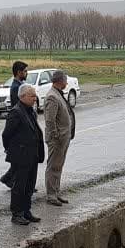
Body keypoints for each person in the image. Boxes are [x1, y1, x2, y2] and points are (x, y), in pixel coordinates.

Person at [1, 84, 44, 225]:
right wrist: (12, 150)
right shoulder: (16, 112)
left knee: (30, 186)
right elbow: (6, 134)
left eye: (35, 95)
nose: (35, 98)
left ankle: (26, 211)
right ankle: (17, 214)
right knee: (19, 187)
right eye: (32, 96)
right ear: (23, 96)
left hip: (32, 155)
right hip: (21, 156)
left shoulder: (30, 110)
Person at [42, 71, 75, 205]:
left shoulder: (58, 94)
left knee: (58, 166)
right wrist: (56, 136)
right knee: (53, 166)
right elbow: (50, 121)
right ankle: (51, 195)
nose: (67, 83)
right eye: (65, 80)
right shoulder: (52, 97)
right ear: (59, 81)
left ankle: (56, 192)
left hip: (63, 137)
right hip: (57, 139)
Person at [0, 60, 29, 188]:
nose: (27, 73)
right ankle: (10, 180)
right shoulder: (16, 87)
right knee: (19, 160)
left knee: (19, 161)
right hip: (18, 123)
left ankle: (12, 180)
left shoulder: (20, 84)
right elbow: (19, 105)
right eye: (25, 71)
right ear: (19, 72)